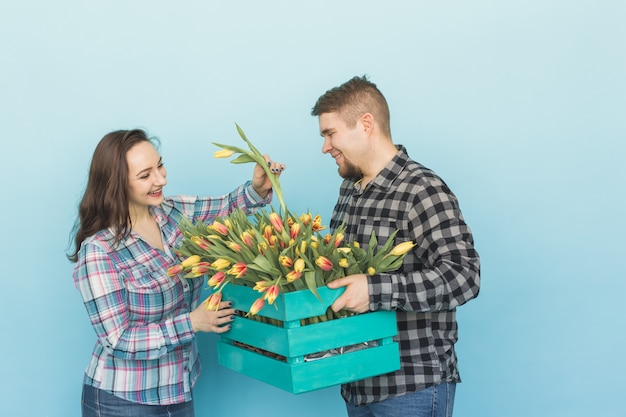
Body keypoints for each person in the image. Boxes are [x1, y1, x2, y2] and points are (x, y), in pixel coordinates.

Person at [67, 128, 285, 417]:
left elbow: (229, 206)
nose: (161, 179)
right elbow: (118, 340)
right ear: (117, 185)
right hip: (124, 400)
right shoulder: (99, 251)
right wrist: (193, 322)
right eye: (145, 175)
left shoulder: (173, 212)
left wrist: (258, 187)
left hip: (179, 386)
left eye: (159, 165)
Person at [311, 76, 480, 417]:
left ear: (365, 124)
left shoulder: (422, 189)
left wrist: (375, 290)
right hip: (358, 384)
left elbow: (465, 276)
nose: (325, 147)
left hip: (412, 387)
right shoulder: (350, 190)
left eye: (330, 134)